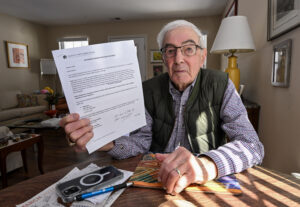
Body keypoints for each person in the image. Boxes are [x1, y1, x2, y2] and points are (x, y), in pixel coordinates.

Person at [60, 20, 264, 195]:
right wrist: (107, 142)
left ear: (202, 56)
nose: (179, 59)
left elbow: (252, 145)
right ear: (164, 58)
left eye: (189, 49)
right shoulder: (148, 90)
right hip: (156, 177)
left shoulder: (221, 84)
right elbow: (140, 143)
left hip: (205, 182)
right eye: (170, 51)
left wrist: (206, 165)